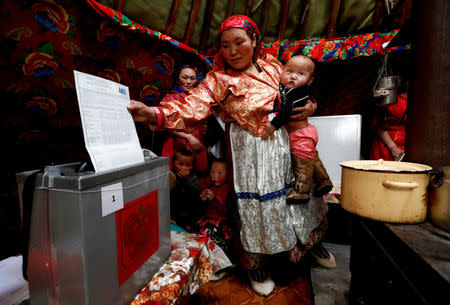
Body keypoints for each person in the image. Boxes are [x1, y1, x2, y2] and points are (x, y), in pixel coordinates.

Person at [128, 15, 327, 296]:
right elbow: (192, 106)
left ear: (254, 41)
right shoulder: (217, 79)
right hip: (248, 149)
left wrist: (310, 106)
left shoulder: (272, 65)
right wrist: (154, 113)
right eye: (225, 45)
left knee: (287, 200)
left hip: (279, 141)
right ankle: (255, 265)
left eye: (239, 42)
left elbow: (297, 91)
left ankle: (295, 251)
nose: (233, 51)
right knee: (253, 207)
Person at [261, 55, 334, 204]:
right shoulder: (286, 89)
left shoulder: (300, 92)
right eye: (289, 71)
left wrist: (272, 126)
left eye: (300, 74)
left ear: (310, 80)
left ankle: (302, 191)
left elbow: (286, 111)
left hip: (301, 134)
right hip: (305, 132)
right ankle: (323, 181)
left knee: (302, 163)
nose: (293, 76)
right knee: (311, 157)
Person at [160, 65, 209, 175]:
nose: (188, 82)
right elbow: (168, 126)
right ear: (178, 80)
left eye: (192, 78)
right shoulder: (171, 98)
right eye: (185, 78)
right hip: (177, 143)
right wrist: (189, 137)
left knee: (197, 180)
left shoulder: (199, 98)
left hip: (197, 143)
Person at [195, 159, 233, 258]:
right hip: (206, 222)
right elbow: (202, 209)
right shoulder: (210, 187)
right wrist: (202, 200)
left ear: (228, 174)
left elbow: (226, 212)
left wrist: (213, 200)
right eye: (212, 172)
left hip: (220, 226)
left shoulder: (229, 190)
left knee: (211, 244)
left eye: (219, 173)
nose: (215, 176)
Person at [170, 148, 204, 230]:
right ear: (173, 163)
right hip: (174, 214)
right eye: (180, 164)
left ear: (193, 165)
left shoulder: (193, 177)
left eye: (188, 165)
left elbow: (197, 191)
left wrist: (188, 179)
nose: (184, 168)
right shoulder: (171, 176)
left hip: (189, 214)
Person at [370, 87, 407, 161]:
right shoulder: (394, 102)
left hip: (405, 149)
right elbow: (380, 127)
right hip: (387, 146)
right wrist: (392, 147)